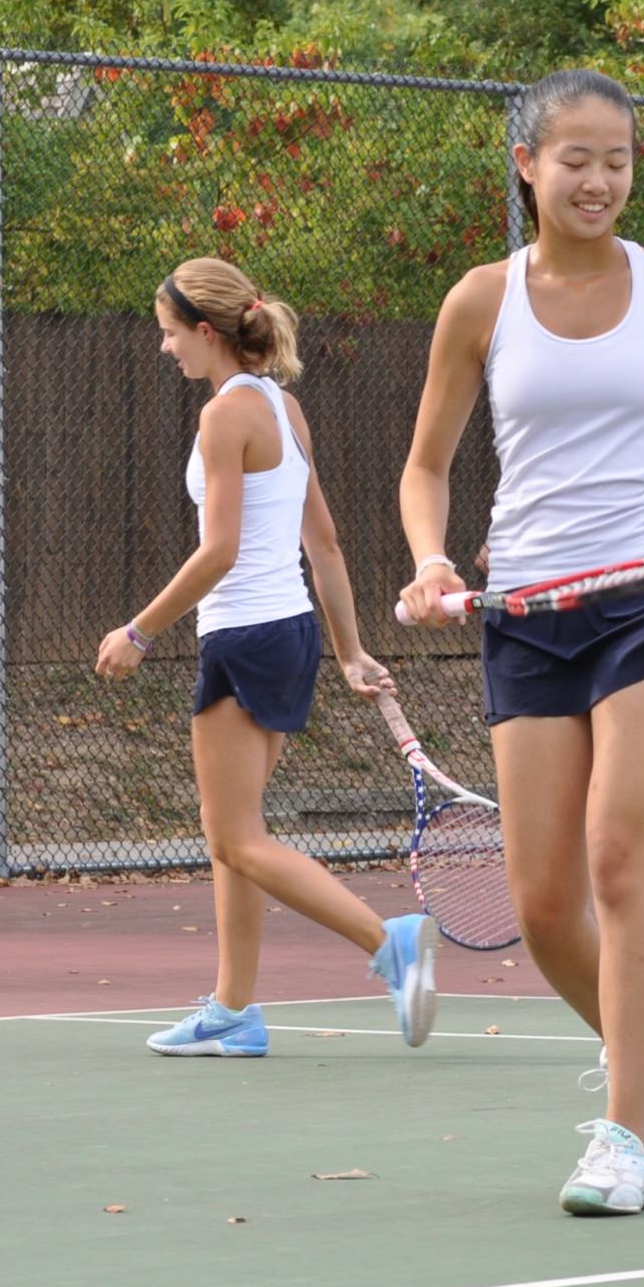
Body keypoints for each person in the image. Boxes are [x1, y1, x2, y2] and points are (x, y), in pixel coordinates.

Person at [397, 70, 644, 1215]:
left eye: (616, 159)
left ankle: (621, 1133)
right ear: (526, 163)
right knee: (545, 897)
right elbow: (426, 466)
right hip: (524, 612)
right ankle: (640, 1044)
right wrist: (429, 557)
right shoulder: (478, 301)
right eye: (575, 158)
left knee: (618, 859)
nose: (598, 179)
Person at [96, 257, 439, 1056]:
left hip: (245, 635)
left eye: (170, 334)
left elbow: (217, 552)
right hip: (287, 635)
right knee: (235, 832)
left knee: (235, 838)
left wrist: (139, 631)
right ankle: (234, 1008)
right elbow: (322, 541)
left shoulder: (225, 418)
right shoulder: (284, 409)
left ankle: (387, 940)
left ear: (206, 332)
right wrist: (347, 651)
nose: (164, 349)